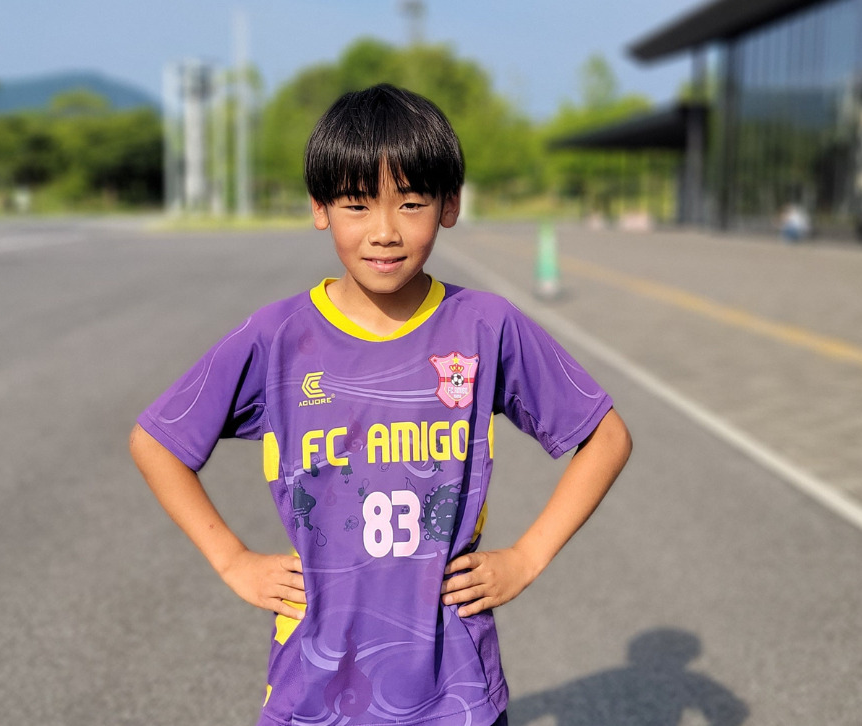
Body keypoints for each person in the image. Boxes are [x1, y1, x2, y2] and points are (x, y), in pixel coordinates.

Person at [129, 83, 632, 726]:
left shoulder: (485, 325)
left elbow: (605, 437)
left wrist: (526, 558)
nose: (385, 232)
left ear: (450, 205)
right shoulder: (278, 337)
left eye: (412, 203)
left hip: (453, 685)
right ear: (320, 208)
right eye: (357, 205)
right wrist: (234, 561)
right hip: (315, 680)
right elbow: (158, 441)